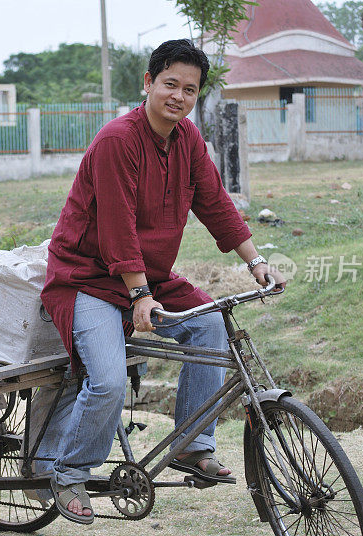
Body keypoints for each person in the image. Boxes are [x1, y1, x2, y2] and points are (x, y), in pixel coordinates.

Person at [39, 39, 287, 524]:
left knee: (210, 325)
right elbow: (117, 226)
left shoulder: (188, 139)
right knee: (108, 382)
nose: (178, 96)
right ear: (148, 83)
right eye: (170, 84)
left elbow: (215, 203)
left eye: (190, 89)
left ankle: (193, 446)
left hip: (147, 278)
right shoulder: (118, 140)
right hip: (87, 279)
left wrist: (256, 261)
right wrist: (139, 295)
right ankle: (68, 472)